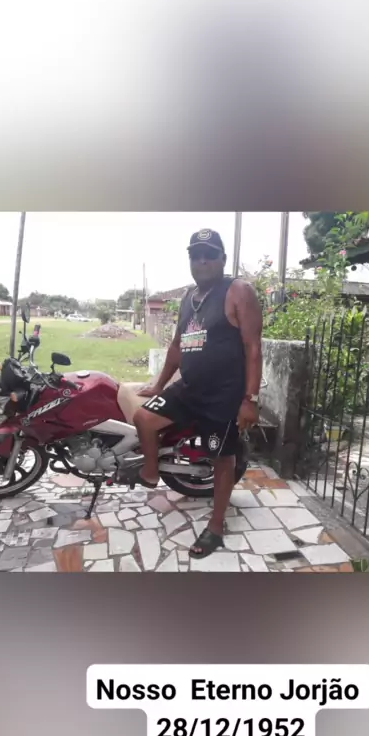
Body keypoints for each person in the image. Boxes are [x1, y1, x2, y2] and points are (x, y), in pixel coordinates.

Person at [134, 228, 263, 559]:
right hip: (189, 388)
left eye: (210, 254)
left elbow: (253, 347)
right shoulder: (189, 297)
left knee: (221, 459)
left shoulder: (238, 291)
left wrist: (250, 399)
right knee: (144, 418)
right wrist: (159, 384)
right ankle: (151, 472)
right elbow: (177, 346)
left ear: (223, 258)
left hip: (223, 396)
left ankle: (216, 527)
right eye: (196, 255)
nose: (202, 261)